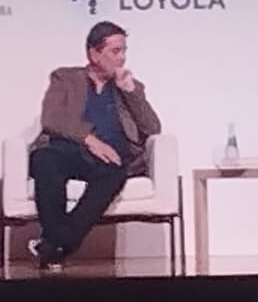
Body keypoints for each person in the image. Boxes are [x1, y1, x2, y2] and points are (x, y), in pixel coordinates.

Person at [27, 21, 162, 269]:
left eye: (124, 51)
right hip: (71, 150)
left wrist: (131, 92)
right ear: (94, 53)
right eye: (115, 51)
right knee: (44, 159)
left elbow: (153, 129)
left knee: (114, 172)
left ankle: (53, 244)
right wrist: (89, 139)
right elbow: (52, 118)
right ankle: (60, 241)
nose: (121, 58)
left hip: (111, 159)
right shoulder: (65, 78)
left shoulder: (129, 87)